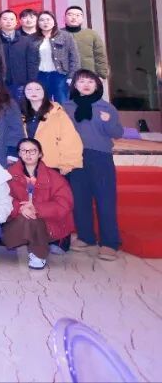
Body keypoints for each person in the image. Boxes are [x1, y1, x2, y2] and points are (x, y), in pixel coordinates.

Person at [65, 69, 123, 260]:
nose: (86, 85)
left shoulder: (106, 107)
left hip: (100, 157)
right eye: (81, 81)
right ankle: (86, 237)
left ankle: (110, 243)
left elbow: (117, 133)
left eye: (90, 81)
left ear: (97, 85)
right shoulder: (67, 107)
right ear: (75, 85)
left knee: (105, 199)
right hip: (76, 157)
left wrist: (108, 122)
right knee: (80, 199)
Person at [4, 138, 75, 270]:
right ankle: (35, 249)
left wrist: (36, 209)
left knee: (34, 218)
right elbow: (0, 199)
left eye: (33, 151)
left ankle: (38, 255)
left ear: (40, 154)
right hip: (16, 224)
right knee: (28, 217)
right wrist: (20, 208)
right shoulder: (8, 175)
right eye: (24, 150)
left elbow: (64, 204)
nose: (28, 154)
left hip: (48, 226)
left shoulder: (54, 177)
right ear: (19, 153)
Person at [22, 81, 83, 176]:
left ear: (44, 92)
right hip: (28, 167)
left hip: (53, 166)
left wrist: (68, 164)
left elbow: (70, 140)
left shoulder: (57, 114)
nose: (33, 92)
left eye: (38, 89)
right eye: (29, 89)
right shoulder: (21, 115)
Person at [35, 11, 79, 103]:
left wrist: (72, 76)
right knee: (43, 103)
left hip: (60, 75)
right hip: (40, 76)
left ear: (54, 22)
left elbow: (74, 57)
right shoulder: (33, 39)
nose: (45, 22)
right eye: (42, 20)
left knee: (62, 102)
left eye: (48, 19)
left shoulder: (65, 36)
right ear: (38, 23)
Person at [0, 10, 38, 100]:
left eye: (11, 19)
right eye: (5, 19)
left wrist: (31, 82)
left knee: (22, 107)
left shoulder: (26, 41)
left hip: (21, 84)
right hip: (0, 84)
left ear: (16, 22)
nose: (8, 21)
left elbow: (32, 63)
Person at [63, 6, 109, 79]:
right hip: (63, 77)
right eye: (70, 15)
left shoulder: (92, 34)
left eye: (78, 15)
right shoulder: (58, 35)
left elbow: (100, 56)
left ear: (83, 19)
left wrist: (101, 75)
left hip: (88, 76)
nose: (74, 17)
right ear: (64, 18)